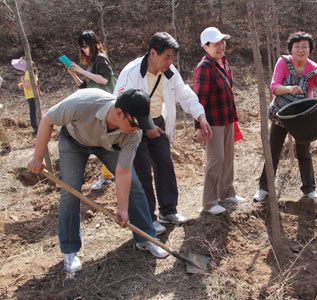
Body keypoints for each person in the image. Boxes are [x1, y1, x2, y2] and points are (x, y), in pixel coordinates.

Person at [27, 88, 169, 273]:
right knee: (70, 192)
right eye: (135, 123)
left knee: (134, 184)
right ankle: (70, 250)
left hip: (108, 146)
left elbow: (123, 171)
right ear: (119, 113)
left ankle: (146, 238)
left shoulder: (133, 132)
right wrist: (38, 157)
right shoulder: (82, 103)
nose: (137, 129)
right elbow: (48, 120)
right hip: (74, 142)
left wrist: (123, 209)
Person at [114, 32, 212, 234]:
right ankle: (148, 218)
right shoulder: (132, 73)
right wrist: (146, 126)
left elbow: (184, 94)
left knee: (165, 164)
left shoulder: (169, 71)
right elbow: (122, 105)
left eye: (172, 58)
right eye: (167, 57)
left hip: (158, 121)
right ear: (153, 53)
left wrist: (200, 116)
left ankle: (168, 210)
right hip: (134, 126)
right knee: (142, 172)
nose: (170, 62)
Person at [253, 31, 317, 202]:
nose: (300, 50)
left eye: (304, 46)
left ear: (310, 50)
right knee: (273, 150)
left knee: (304, 152)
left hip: (303, 118)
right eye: (297, 47)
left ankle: (309, 190)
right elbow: (274, 87)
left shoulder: (315, 71)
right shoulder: (283, 62)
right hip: (281, 114)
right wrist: (290, 88)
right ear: (291, 49)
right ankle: (264, 188)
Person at [193, 27, 245, 215]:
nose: (221, 46)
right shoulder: (204, 68)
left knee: (228, 156)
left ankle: (227, 192)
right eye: (216, 43)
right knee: (216, 159)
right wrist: (199, 126)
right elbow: (199, 98)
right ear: (206, 47)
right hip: (213, 121)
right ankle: (210, 201)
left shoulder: (224, 62)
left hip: (227, 117)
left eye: (222, 42)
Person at [66, 30, 116, 191]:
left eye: (85, 46)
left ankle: (108, 176)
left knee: (107, 141)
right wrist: (74, 75)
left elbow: (104, 79)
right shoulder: (93, 62)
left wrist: (82, 71)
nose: (83, 50)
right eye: (81, 47)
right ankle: (108, 175)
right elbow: (84, 87)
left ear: (93, 43)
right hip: (97, 105)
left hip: (106, 105)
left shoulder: (101, 58)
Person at [11, 57, 40, 134]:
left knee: (33, 113)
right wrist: (22, 84)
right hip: (33, 94)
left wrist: (22, 80)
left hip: (31, 95)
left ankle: (36, 129)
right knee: (34, 112)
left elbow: (27, 85)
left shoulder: (28, 73)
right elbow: (31, 84)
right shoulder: (33, 72)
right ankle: (38, 128)